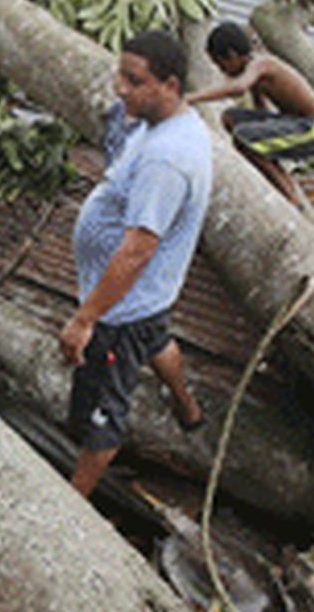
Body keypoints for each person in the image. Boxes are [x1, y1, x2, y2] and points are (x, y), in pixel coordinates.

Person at [60, 28, 213, 498]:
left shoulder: (168, 158)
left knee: (102, 418)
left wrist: (87, 319)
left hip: (120, 310)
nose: (120, 88)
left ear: (170, 85)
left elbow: (137, 250)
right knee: (157, 339)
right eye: (120, 75)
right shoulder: (168, 124)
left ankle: (70, 504)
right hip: (148, 299)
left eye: (134, 79)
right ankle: (189, 410)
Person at [184, 21, 314, 204]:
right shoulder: (254, 71)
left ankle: (288, 195)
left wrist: (191, 98)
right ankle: (280, 177)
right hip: (294, 124)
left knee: (244, 136)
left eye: (221, 65)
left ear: (232, 55)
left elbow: (238, 88)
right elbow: (261, 109)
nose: (221, 71)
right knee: (231, 118)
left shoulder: (261, 63)